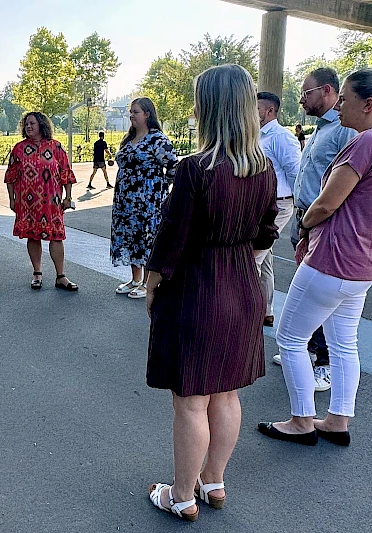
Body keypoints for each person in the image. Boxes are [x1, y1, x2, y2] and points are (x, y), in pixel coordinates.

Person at [258, 67, 372, 447]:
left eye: (345, 100)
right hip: (367, 262)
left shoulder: (365, 143)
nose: (341, 108)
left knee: (290, 337)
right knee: (344, 342)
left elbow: (327, 202)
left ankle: (301, 421)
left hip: (335, 258)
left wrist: (304, 227)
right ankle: (337, 419)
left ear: (368, 104)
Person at [145, 64, 279, 521]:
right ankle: (214, 482)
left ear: (209, 108)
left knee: (191, 400)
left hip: (197, 288)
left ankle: (181, 495)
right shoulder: (264, 169)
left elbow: (171, 239)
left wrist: (152, 284)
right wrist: (245, 263)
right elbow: (266, 233)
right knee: (227, 394)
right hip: (242, 286)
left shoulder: (194, 169)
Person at [272, 67, 356, 393]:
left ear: (326, 90)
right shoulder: (321, 129)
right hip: (303, 217)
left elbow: (344, 187)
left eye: (306, 93)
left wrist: (312, 222)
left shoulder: (344, 131)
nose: (301, 99)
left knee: (321, 295)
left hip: (320, 221)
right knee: (308, 292)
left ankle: (325, 363)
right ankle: (307, 350)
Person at [111, 97, 178, 299]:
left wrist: (159, 187)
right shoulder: (129, 138)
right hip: (125, 200)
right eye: (131, 112)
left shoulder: (158, 139)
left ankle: (147, 284)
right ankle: (135, 279)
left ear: (147, 114)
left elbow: (174, 167)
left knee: (146, 239)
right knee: (131, 237)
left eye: (135, 112)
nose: (131, 115)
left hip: (147, 201)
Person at [5, 112, 78, 291]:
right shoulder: (19, 149)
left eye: (32, 123)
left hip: (52, 202)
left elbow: (66, 173)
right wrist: (12, 199)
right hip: (27, 202)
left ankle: (61, 276)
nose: (28, 127)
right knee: (32, 235)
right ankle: (37, 273)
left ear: (41, 125)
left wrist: (67, 197)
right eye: (26, 124)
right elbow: (10, 176)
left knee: (56, 236)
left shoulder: (56, 147)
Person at [256, 92, 301, 327]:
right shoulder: (258, 135)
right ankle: (266, 310)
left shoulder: (281, 137)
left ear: (270, 111)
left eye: (257, 108)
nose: (252, 113)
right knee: (265, 258)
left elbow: (296, 172)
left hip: (280, 203)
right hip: (262, 203)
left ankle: (247, 310)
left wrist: (300, 206)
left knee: (253, 257)